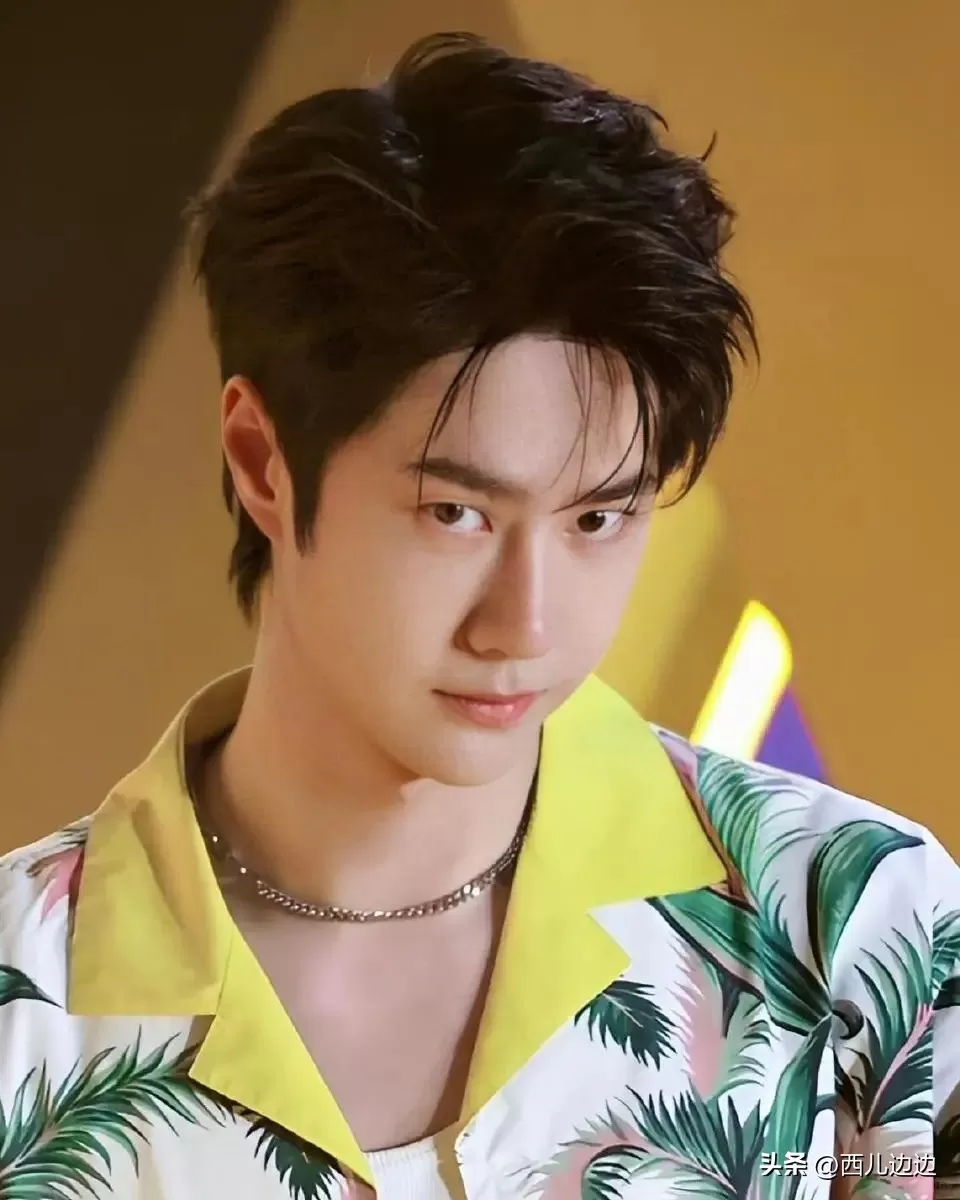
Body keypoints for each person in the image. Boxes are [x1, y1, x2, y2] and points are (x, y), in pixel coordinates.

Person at [0, 30, 958, 1200]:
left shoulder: (859, 930)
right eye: (455, 513)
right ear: (262, 459)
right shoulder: (23, 1013)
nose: (526, 625)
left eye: (599, 517)